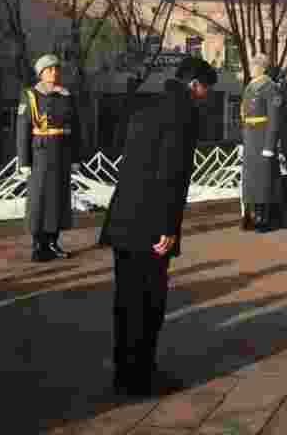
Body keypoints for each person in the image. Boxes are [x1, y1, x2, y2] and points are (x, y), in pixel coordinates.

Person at [98, 57, 218, 397]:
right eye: (205, 91)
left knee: (125, 303)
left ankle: (124, 373)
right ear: (195, 85)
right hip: (152, 224)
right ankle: (141, 377)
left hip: (124, 219)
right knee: (148, 305)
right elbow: (171, 172)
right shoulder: (183, 115)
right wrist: (167, 226)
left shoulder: (146, 105)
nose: (205, 98)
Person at [16, 54, 81, 262]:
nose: (55, 73)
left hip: (61, 153)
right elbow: (22, 130)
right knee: (39, 200)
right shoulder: (31, 96)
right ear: (41, 73)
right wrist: (24, 161)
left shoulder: (66, 96)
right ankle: (38, 245)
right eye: (50, 69)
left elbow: (76, 129)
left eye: (56, 69)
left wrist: (75, 158)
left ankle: (53, 243)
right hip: (40, 155)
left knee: (58, 200)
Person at [240, 53, 285, 232]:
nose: (251, 68)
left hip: (262, 138)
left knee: (264, 180)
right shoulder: (250, 87)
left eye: (254, 65)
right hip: (251, 139)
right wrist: (244, 140)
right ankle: (250, 214)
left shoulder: (270, 87)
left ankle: (263, 218)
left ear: (262, 68)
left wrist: (269, 145)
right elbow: (244, 116)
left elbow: (274, 118)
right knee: (250, 180)